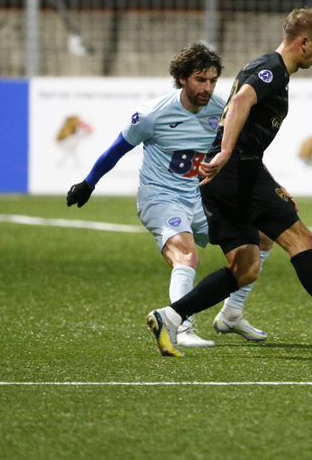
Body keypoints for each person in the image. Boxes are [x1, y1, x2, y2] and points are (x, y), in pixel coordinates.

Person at [145, 7, 312, 357]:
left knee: (246, 268)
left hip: (227, 179)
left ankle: (171, 316)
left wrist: (267, 180)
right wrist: (224, 152)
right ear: (304, 41)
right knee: (301, 240)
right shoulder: (271, 70)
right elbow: (239, 102)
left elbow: (247, 133)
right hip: (235, 173)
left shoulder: (271, 70)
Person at [66, 42, 270, 348]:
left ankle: (232, 314)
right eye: (201, 80)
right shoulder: (153, 115)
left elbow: (240, 155)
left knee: (261, 238)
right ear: (182, 78)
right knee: (187, 255)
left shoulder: (221, 112)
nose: (208, 88)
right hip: (161, 197)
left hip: (202, 198)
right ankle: (181, 326)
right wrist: (89, 183)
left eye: (213, 81)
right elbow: (115, 151)